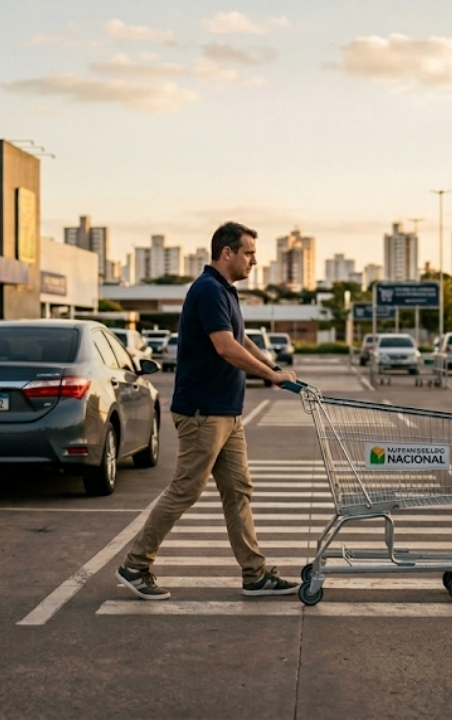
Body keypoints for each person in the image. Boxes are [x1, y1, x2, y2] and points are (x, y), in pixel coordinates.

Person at [116, 222, 299, 601]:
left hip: (227, 413)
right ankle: (135, 565)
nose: (254, 260)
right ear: (226, 253)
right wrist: (270, 376)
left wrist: (273, 368)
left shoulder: (226, 293)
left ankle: (254, 574)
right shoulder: (207, 289)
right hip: (203, 412)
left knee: (238, 492)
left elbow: (241, 338)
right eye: (248, 252)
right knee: (186, 489)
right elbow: (225, 347)